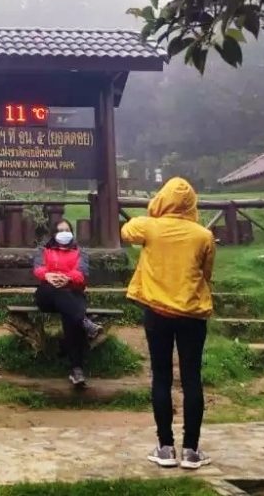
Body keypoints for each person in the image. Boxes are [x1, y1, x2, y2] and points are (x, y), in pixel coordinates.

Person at [120, 177, 216, 470]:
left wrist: (155, 214)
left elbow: (125, 231)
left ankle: (164, 448)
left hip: (157, 312)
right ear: (192, 203)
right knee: (191, 379)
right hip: (192, 314)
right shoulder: (203, 235)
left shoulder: (149, 226)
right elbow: (206, 273)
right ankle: (191, 451)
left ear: (163, 199)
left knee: (161, 377)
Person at [32, 219, 105, 387]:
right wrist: (48, 276)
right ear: (54, 233)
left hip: (72, 291)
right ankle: (85, 321)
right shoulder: (44, 249)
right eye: (60, 230)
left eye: (67, 229)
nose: (64, 232)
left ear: (71, 232)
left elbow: (82, 273)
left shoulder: (80, 251)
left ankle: (77, 370)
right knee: (64, 299)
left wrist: (67, 278)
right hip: (48, 293)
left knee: (71, 316)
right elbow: (38, 268)